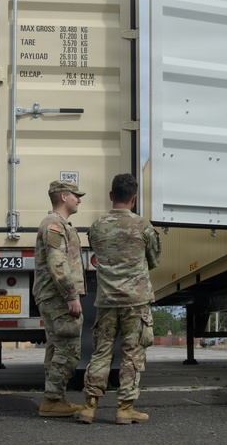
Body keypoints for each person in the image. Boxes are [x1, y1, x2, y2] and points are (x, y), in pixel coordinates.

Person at [77, 173, 161, 425]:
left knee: (101, 353)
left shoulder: (97, 226)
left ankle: (89, 407)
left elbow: (95, 252)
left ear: (111, 196)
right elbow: (154, 260)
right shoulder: (143, 226)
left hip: (106, 301)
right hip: (135, 302)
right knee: (132, 353)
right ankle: (125, 409)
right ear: (133, 198)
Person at [34, 179, 87, 417]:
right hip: (58, 297)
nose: (79, 199)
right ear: (63, 197)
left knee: (56, 347)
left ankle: (56, 398)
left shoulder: (57, 224)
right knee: (68, 348)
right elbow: (58, 264)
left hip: (52, 296)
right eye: (76, 195)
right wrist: (71, 295)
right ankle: (52, 399)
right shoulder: (54, 224)